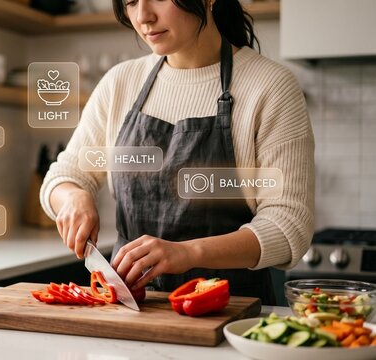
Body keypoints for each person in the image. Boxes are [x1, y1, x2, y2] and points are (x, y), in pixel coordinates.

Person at [40, 0, 314, 305]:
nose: (143, 16)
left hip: (231, 317)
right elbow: (65, 176)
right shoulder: (120, 83)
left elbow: (289, 225)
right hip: (130, 313)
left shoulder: (270, 86)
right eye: (130, 2)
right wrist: (74, 197)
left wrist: (188, 253)